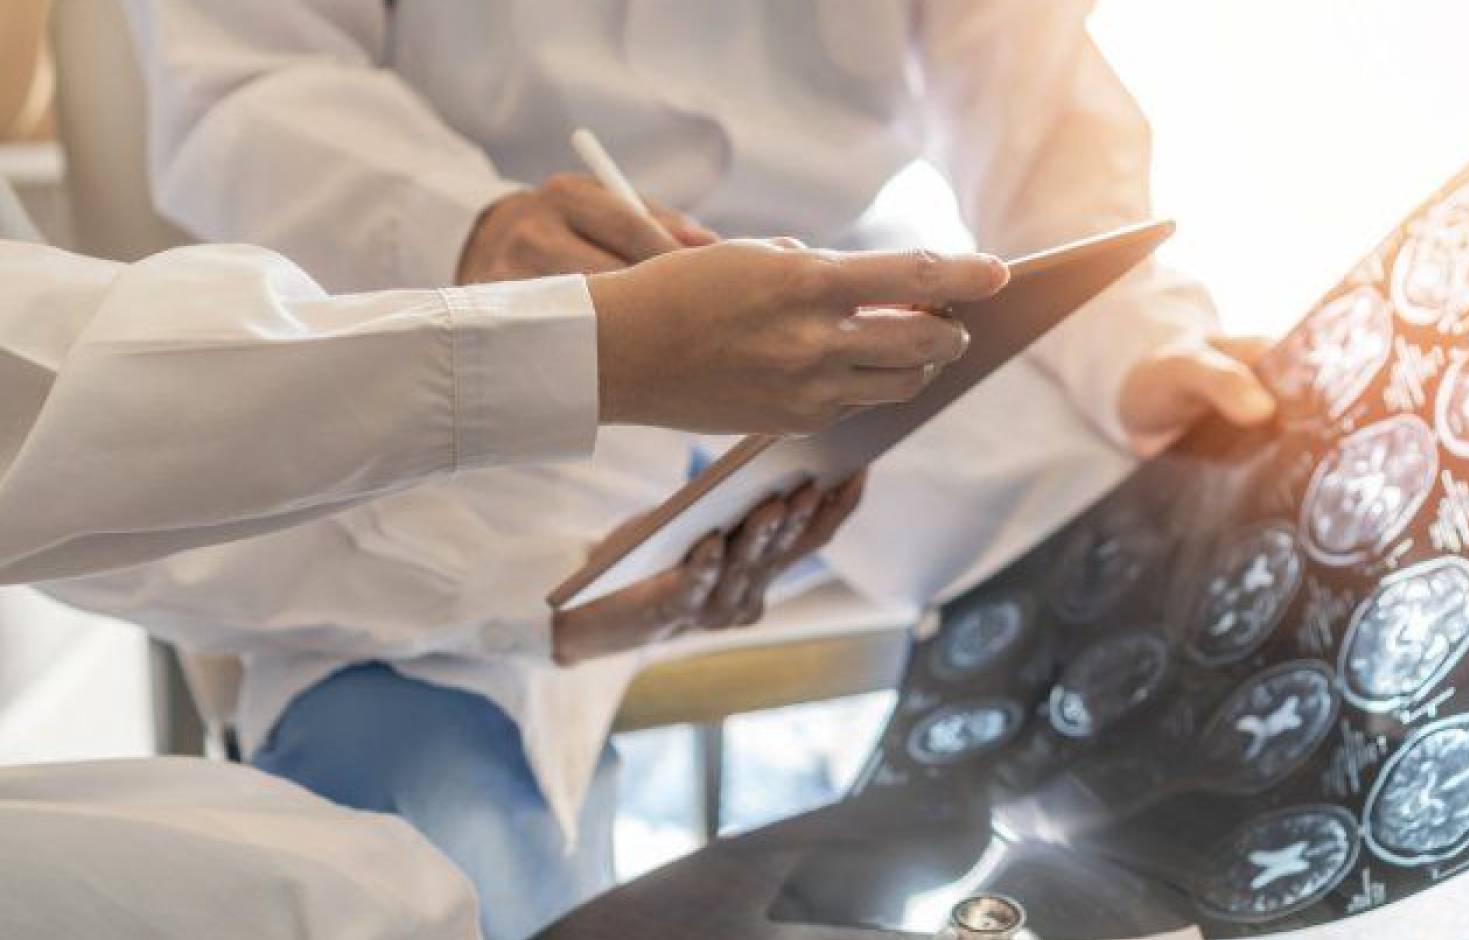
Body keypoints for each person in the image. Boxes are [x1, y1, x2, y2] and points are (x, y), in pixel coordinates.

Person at [97, 1, 1278, 937]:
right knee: (421, 831)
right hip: (463, 317)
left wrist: (1136, 347)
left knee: (1211, 595)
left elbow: (1034, 86)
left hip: (854, 324)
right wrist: (476, 230)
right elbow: (245, 83)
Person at [0, 160, 1006, 938]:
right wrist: (560, 325)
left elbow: (66, 456)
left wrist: (536, 598)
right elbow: (76, 420)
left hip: (703, 410)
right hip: (400, 380)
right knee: (401, 880)